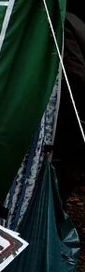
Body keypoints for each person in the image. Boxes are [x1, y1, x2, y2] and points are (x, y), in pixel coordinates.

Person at [54, 12, 85, 199]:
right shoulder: (76, 21)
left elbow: (76, 75)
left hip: (71, 118)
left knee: (63, 175)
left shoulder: (64, 21)